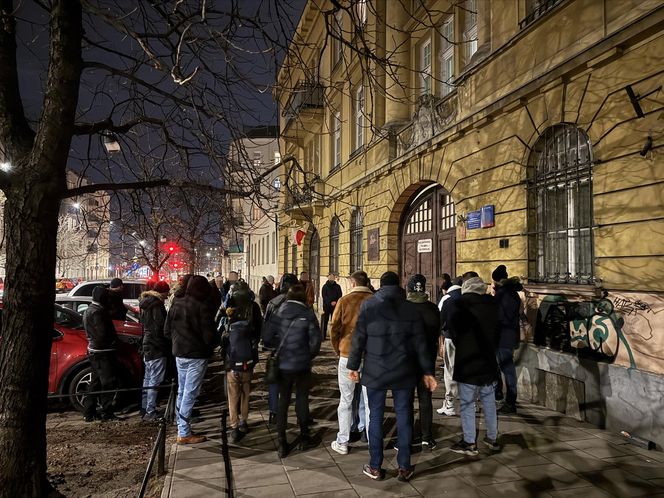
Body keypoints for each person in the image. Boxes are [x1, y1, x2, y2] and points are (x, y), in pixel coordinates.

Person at [347, 271, 437, 482]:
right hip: (403, 370)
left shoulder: (370, 306)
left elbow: (359, 337)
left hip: (376, 370)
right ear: (400, 287)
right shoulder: (410, 309)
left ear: (380, 285)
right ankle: (404, 467)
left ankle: (375, 466)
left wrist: (353, 365)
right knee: (404, 416)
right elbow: (420, 344)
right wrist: (427, 372)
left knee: (375, 416)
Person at [262, 284, 322, 458]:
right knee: (302, 399)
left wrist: (278, 348)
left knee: (283, 401)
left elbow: (266, 337)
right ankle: (304, 436)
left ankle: (282, 442)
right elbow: (315, 341)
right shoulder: (308, 314)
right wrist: (307, 355)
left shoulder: (278, 313)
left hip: (283, 364)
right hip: (302, 364)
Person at [448, 275, 501, 456]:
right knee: (489, 402)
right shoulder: (493, 305)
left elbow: (453, 331)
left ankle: (470, 442)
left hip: (468, 361)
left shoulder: (459, 305)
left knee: (467, 403)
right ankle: (492, 438)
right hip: (488, 361)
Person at [165, 275, 217, 444]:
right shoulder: (202, 306)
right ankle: (184, 432)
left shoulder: (176, 303)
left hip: (180, 352)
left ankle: (181, 425)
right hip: (196, 354)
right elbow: (209, 336)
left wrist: (177, 341)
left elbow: (166, 330)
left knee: (182, 390)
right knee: (190, 392)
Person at [329, 271, 373, 456]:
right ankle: (372, 439)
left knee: (346, 399)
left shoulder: (345, 301)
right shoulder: (375, 300)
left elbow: (334, 328)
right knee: (370, 400)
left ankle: (343, 441)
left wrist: (338, 348)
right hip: (371, 355)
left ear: (353, 283)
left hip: (347, 354)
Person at [222, 280, 263, 442]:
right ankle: (244, 421)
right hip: (249, 356)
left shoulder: (228, 310)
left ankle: (234, 426)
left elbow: (219, 330)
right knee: (246, 391)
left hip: (231, 358)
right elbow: (260, 330)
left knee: (233, 394)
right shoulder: (254, 307)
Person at [406, 274, 440, 449]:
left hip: (408, 360)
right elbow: (437, 332)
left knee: (407, 399)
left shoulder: (404, 308)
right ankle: (427, 437)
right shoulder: (433, 309)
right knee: (425, 399)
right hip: (428, 359)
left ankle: (409, 436)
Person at [263, 273, 300, 425]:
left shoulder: (273, 302)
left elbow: (266, 328)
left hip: (277, 349)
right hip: (296, 350)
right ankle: (301, 415)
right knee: (298, 384)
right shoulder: (300, 303)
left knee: (274, 381)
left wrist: (269, 344)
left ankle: (274, 412)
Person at [82, 286, 120, 422]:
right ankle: (106, 412)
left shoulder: (89, 310)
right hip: (102, 351)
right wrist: (112, 342)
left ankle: (89, 411)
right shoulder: (99, 312)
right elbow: (102, 333)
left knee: (95, 382)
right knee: (108, 382)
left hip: (94, 350)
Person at [492, 265, 523, 415]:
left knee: (507, 370)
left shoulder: (503, 295)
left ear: (497, 281)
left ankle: (510, 402)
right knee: (505, 369)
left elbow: (498, 318)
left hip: (502, 337)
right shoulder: (513, 294)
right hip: (509, 335)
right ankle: (506, 398)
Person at [139, 280, 171, 421]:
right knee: (155, 380)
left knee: (148, 378)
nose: (168, 295)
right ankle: (150, 411)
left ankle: (145, 407)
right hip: (156, 346)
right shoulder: (157, 305)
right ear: (162, 292)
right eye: (167, 292)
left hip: (148, 345)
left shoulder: (146, 303)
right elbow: (160, 328)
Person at [437, 276, 463, 416]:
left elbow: (439, 319)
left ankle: (450, 404)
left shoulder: (447, 298)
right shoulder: (470, 298)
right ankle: (472, 403)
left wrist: (439, 341)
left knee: (450, 371)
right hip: (469, 340)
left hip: (450, 338)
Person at [321, 273, 343, 340]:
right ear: (328, 278)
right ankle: (323, 336)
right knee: (325, 321)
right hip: (327, 306)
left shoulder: (338, 286)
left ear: (334, 278)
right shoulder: (325, 286)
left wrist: (335, 302)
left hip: (335, 306)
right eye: (330, 277)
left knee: (335, 322)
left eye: (332, 277)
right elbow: (324, 296)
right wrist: (330, 302)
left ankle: (334, 336)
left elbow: (340, 295)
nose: (331, 278)